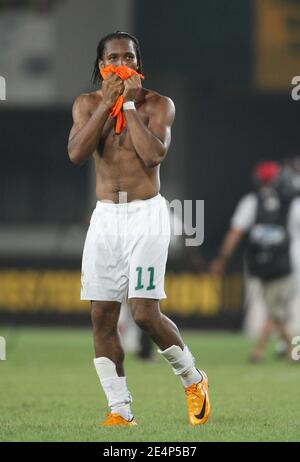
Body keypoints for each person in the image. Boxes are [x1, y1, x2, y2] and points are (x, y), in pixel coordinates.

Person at [67, 31, 210, 426]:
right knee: (102, 316)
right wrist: (107, 105)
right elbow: (77, 153)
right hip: (106, 216)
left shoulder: (159, 104)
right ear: (101, 67)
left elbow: (152, 156)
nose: (122, 63)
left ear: (138, 64)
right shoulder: (85, 104)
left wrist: (127, 105)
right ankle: (119, 410)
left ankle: (193, 378)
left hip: (146, 213)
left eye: (128, 57)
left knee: (145, 313)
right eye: (113, 57)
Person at [211, 161, 300, 362]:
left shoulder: (252, 202)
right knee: (277, 311)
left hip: (262, 265)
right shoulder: (292, 203)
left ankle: (265, 351)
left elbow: (235, 232)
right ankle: (288, 351)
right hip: (290, 265)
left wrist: (221, 260)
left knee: (274, 310)